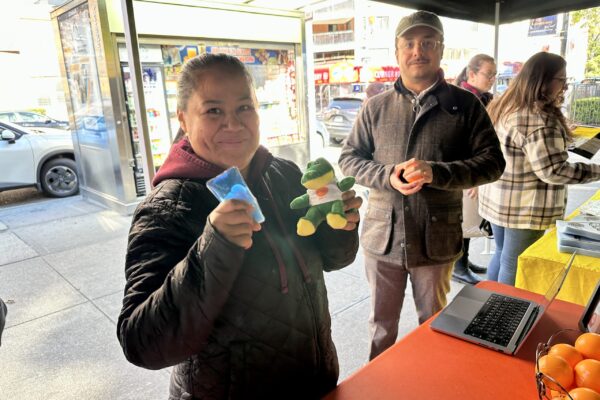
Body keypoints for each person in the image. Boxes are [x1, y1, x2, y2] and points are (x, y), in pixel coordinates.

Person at [117, 53, 362, 399]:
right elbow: (141, 343)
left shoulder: (285, 174)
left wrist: (341, 223)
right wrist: (213, 247)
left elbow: (335, 259)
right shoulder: (167, 207)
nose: (233, 124)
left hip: (315, 381)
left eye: (244, 107)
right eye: (213, 110)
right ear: (184, 119)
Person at [338, 10, 505, 360]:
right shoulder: (376, 106)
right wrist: (388, 175)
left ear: (441, 49)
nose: (418, 50)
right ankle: (377, 388)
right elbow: (349, 159)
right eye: (409, 43)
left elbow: (492, 163)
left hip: (437, 239)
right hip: (382, 238)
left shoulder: (465, 105)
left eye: (428, 42)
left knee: (434, 324)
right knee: (381, 326)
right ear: (398, 51)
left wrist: (436, 173)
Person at [479, 51, 600, 286]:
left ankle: (489, 303)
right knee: (514, 262)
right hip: (524, 207)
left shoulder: (506, 105)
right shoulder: (539, 118)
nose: (564, 86)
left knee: (502, 255)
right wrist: (597, 171)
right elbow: (554, 171)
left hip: (499, 198)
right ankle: (501, 316)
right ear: (542, 80)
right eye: (561, 80)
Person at [451, 54, 497, 285]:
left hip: (473, 169)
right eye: (488, 74)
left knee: (470, 220)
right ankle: (458, 267)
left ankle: (463, 262)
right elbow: (460, 142)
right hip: (465, 171)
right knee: (465, 221)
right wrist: (473, 178)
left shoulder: (482, 98)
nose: (492, 79)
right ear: (471, 74)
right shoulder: (463, 99)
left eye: (493, 74)